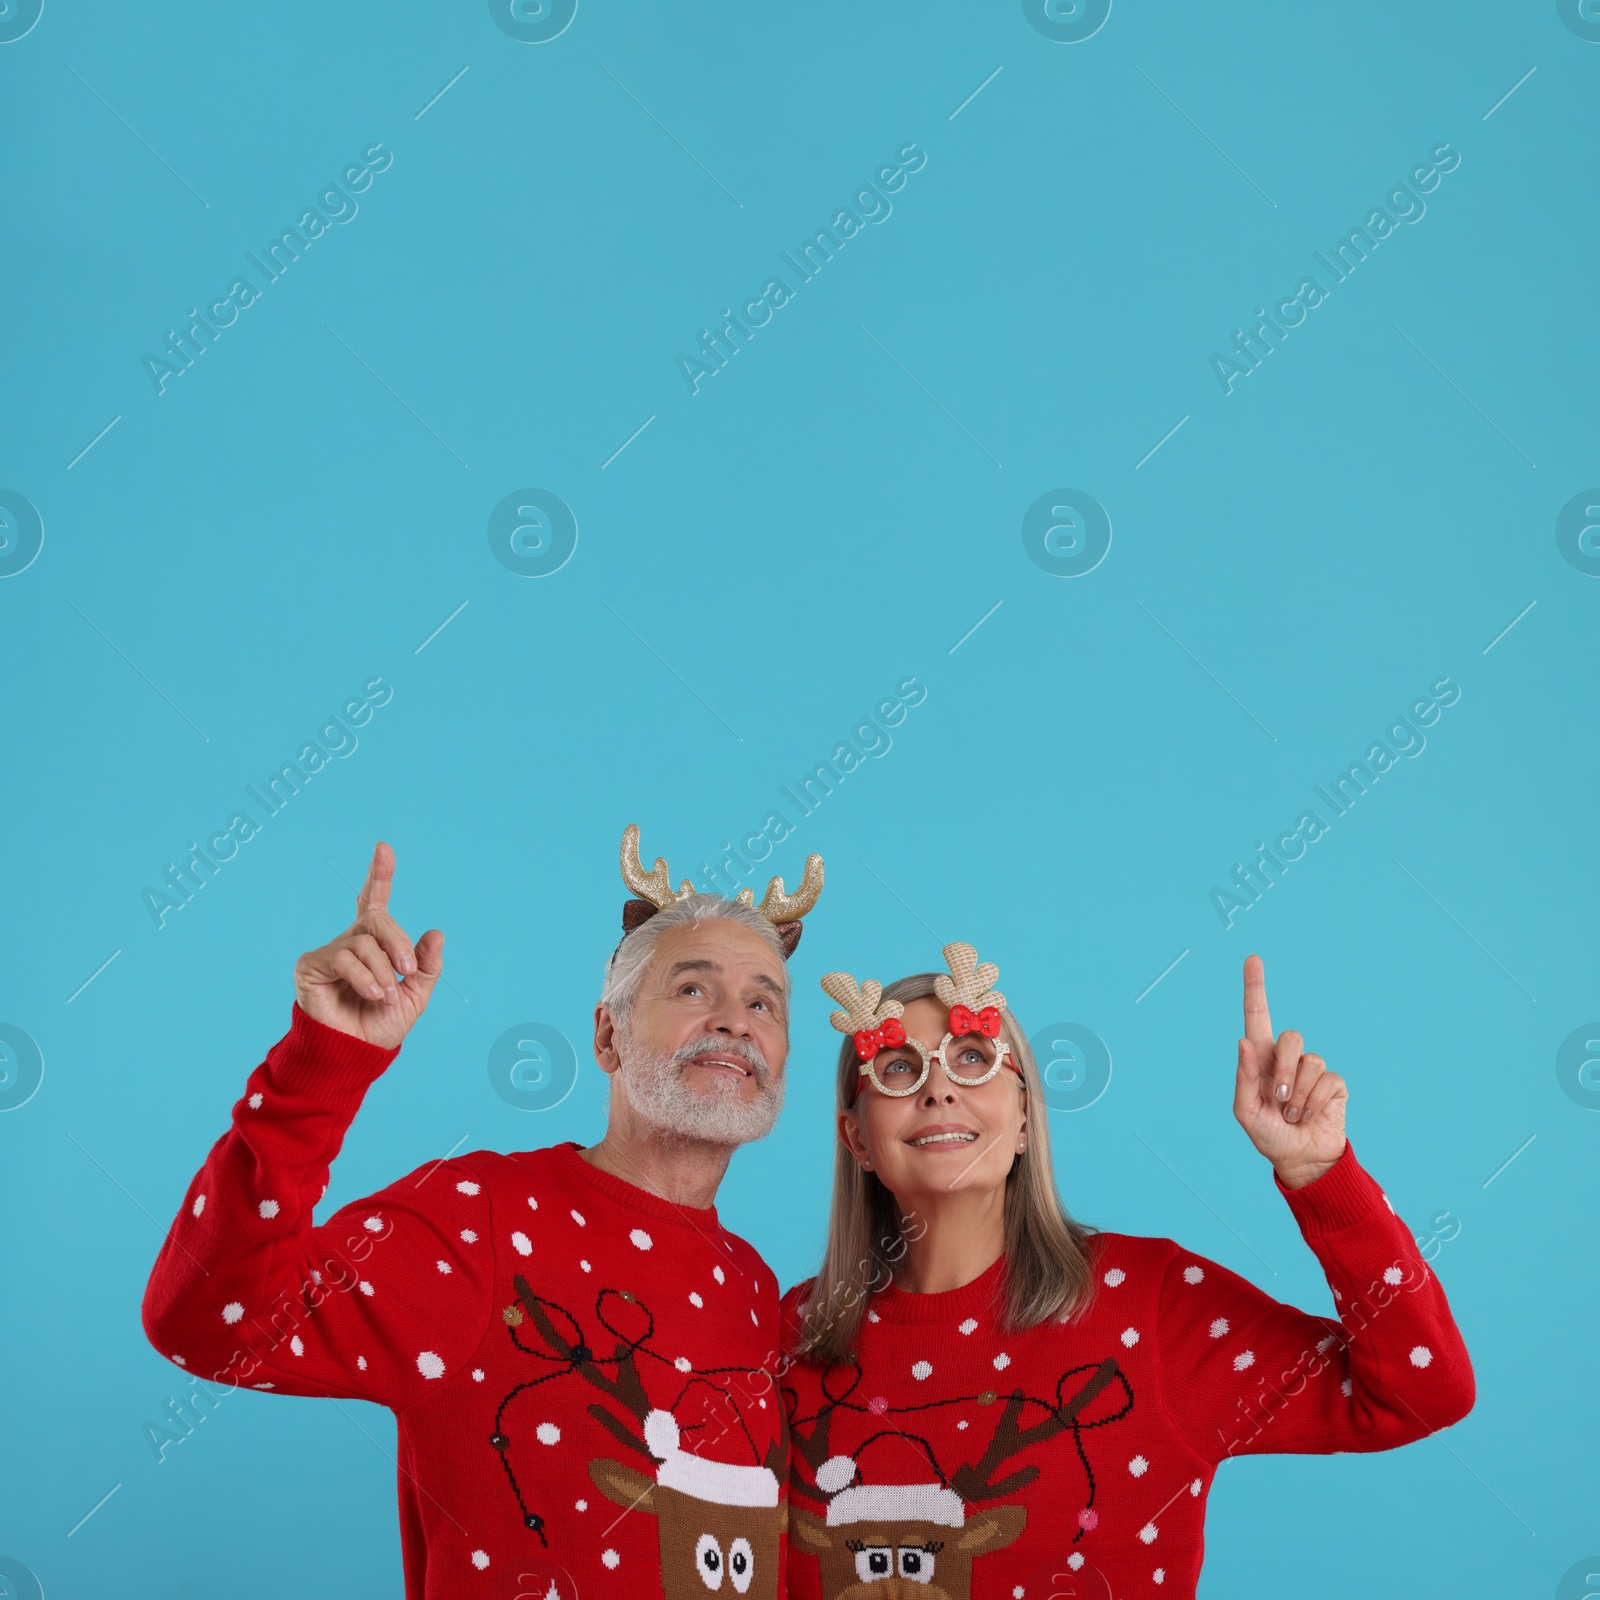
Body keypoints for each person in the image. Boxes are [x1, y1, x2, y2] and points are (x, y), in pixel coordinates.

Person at [142, 825, 823, 1600]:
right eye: (694, 989)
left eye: (763, 1001)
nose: (735, 1020)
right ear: (608, 1035)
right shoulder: (482, 1220)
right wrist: (320, 1063)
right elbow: (211, 1320)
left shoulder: (755, 1287)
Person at [778, 943, 1474, 1600]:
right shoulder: (790, 1334)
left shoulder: (1155, 1304)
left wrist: (1320, 1174)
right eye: (897, 1067)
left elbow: (1419, 1393)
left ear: (1023, 1120)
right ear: (856, 1138)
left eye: (972, 1058)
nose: (938, 1090)